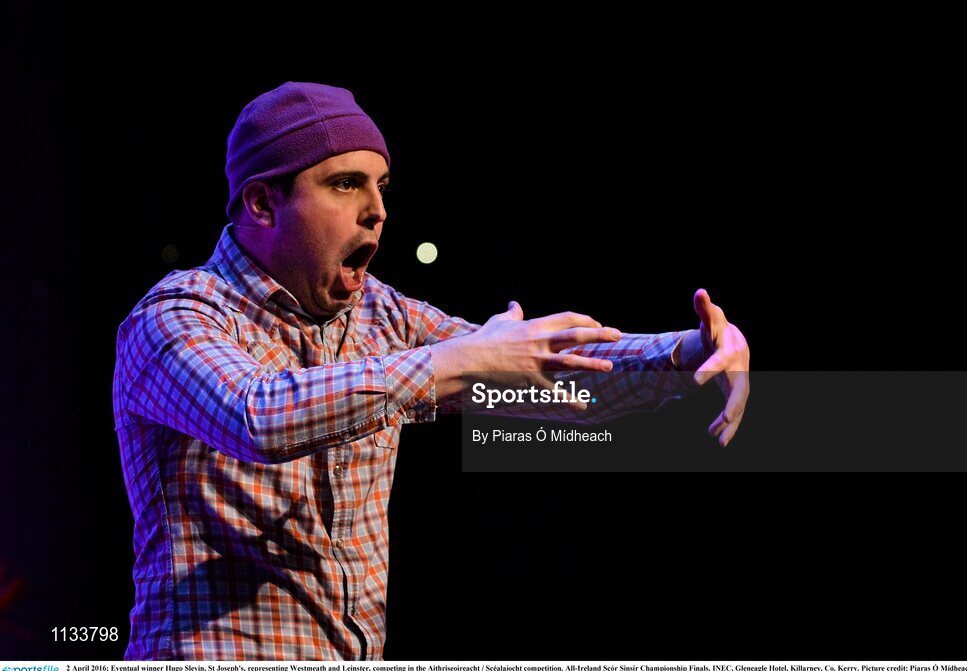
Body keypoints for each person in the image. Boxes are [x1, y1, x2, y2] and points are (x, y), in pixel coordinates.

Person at [112, 81, 750, 661]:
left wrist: (689, 351)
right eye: (344, 184)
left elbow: (548, 372)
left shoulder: (382, 318)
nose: (377, 211)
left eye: (380, 187)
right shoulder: (175, 316)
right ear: (261, 203)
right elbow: (256, 415)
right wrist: (451, 362)